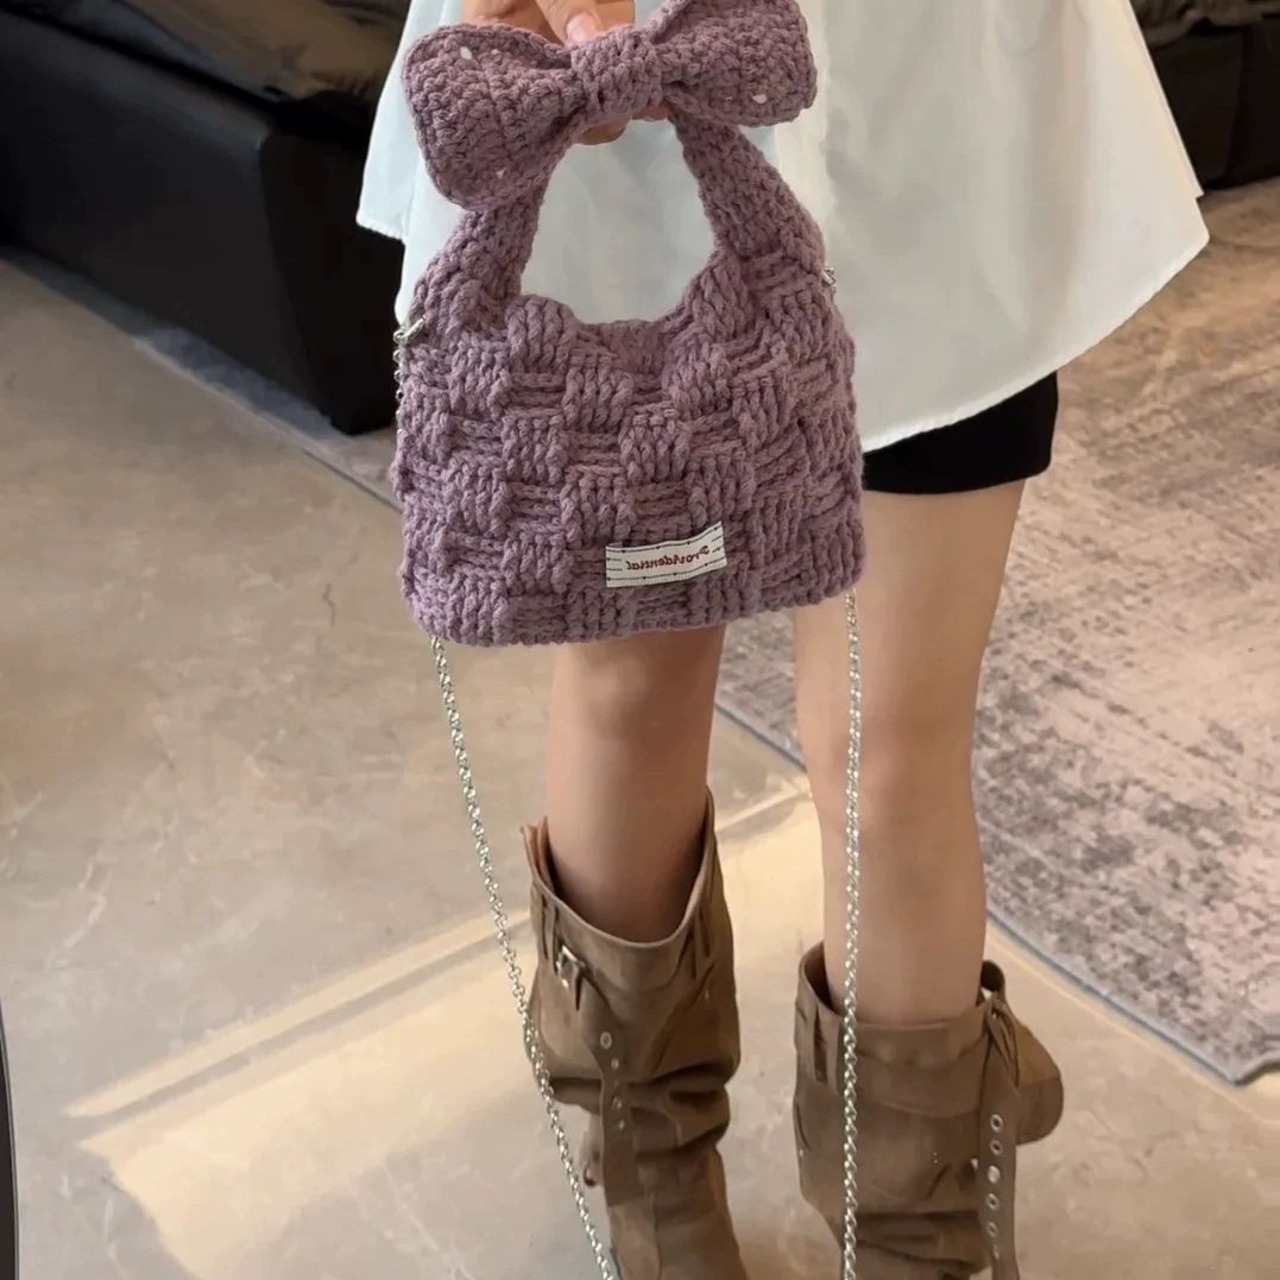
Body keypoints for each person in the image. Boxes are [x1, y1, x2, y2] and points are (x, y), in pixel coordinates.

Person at [360, 1, 1208, 1276]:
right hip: (628, 47)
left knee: (885, 747)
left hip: (937, 75)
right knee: (638, 680)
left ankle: (908, 1229)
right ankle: (657, 1184)